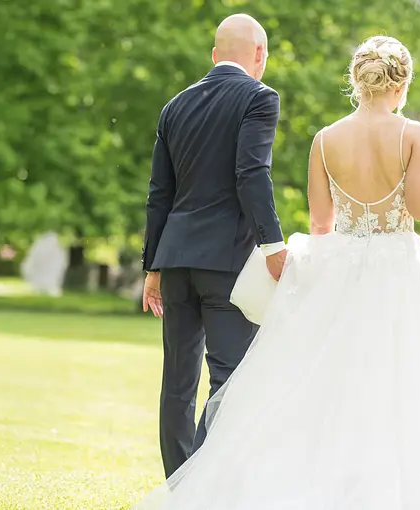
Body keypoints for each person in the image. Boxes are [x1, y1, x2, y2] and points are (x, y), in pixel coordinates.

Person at [135, 35, 420, 509]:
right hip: (399, 274)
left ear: (356, 79)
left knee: (331, 384)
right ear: (401, 82)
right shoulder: (414, 134)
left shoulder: (325, 140)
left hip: (341, 271)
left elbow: (321, 226)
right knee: (403, 382)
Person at [140, 14, 287, 479]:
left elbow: (158, 193)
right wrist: (273, 247)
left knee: (177, 385)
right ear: (260, 55)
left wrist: (152, 267)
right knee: (230, 381)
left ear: (214, 54)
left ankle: (178, 487)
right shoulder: (260, 98)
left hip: (175, 259)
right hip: (225, 262)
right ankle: (201, 486)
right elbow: (251, 174)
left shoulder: (174, 106)